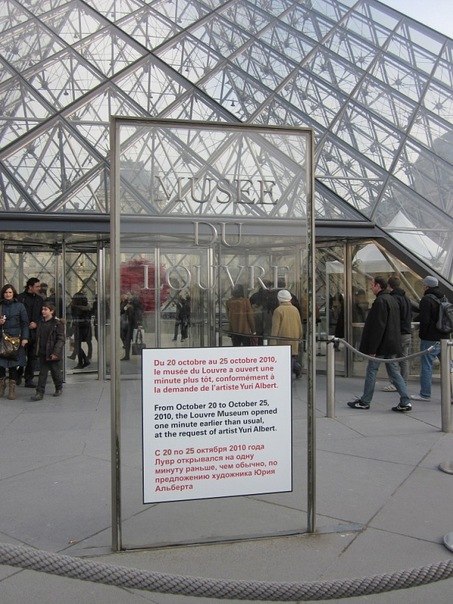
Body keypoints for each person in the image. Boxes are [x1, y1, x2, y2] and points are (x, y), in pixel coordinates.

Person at [347, 276, 412, 412]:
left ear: (378, 286)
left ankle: (365, 401)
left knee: (372, 370)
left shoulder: (380, 301)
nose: (371, 287)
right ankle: (406, 401)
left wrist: (373, 348)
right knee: (394, 372)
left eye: (372, 285)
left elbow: (378, 327)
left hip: (381, 345)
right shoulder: (392, 300)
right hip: (391, 343)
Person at [411, 275, 450, 401]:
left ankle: (425, 394)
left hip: (430, 338)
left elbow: (425, 319)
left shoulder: (426, 299)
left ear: (426, 286)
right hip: (445, 337)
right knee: (448, 366)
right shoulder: (444, 297)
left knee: (427, 365)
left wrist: (421, 334)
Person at [382, 276, 413, 391]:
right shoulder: (406, 298)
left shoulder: (393, 299)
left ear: (389, 286)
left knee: (391, 358)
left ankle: (395, 383)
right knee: (403, 359)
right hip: (407, 332)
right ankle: (403, 382)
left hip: (397, 333)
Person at [0, 284, 29, 400]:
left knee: (13, 365)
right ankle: (1, 385)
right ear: (3, 294)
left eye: (10, 292)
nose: (8, 294)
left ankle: (12, 388)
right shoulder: (0, 306)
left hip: (15, 339)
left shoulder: (20, 306)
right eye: (6, 292)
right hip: (1, 338)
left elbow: (25, 323)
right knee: (0, 364)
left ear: (13, 293)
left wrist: (25, 338)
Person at [31, 303, 65, 401]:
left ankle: (58, 387)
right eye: (42, 309)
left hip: (52, 352)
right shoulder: (40, 322)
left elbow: (61, 339)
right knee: (42, 373)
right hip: (43, 352)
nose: (43, 311)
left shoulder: (57, 324)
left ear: (51, 311)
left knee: (55, 372)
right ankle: (39, 392)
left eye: (45, 309)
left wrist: (55, 353)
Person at [17, 277, 44, 387]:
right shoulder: (20, 298)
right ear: (30, 287)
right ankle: (18, 376)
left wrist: (36, 323)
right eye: (37, 286)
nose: (39, 288)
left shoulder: (40, 299)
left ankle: (29, 379)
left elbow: (42, 315)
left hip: (34, 333)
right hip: (22, 332)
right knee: (20, 355)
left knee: (32, 357)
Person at [270, 289, 303, 378]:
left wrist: (272, 344)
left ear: (279, 299)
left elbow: (275, 328)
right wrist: (299, 337)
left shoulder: (278, 310)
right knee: (291, 358)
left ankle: (292, 373)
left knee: (285, 361)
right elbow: (299, 325)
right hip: (294, 339)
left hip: (282, 340)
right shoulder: (295, 309)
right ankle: (297, 369)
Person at [69, 289, 92, 369]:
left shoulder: (75, 307)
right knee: (78, 345)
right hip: (86, 327)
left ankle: (82, 362)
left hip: (78, 327)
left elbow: (74, 317)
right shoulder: (87, 307)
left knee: (77, 345)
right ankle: (84, 361)